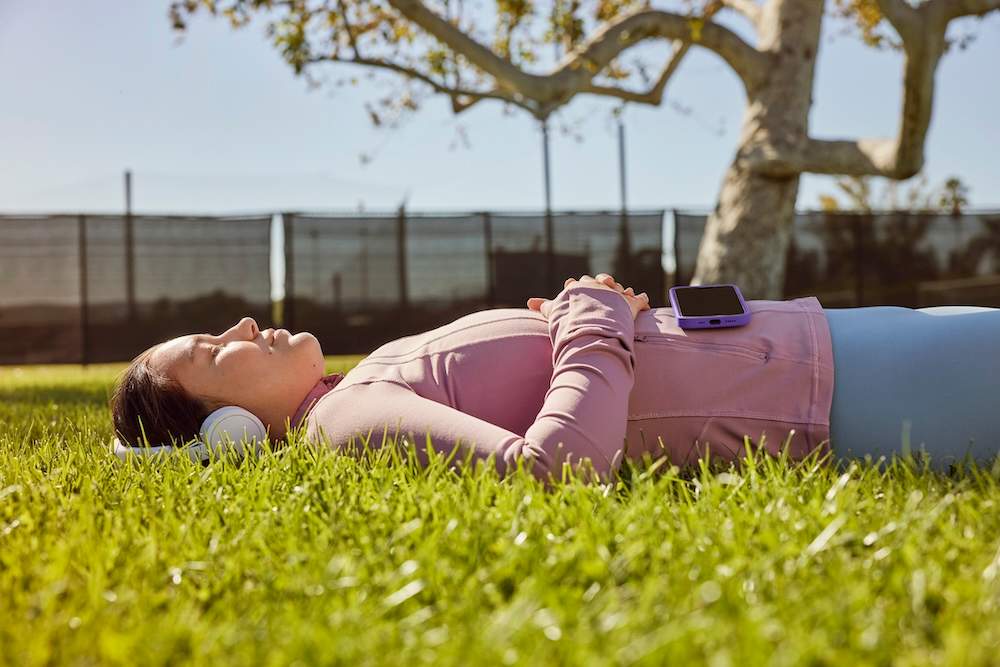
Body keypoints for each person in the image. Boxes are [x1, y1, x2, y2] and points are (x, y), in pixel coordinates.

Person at [109, 273, 1000, 483]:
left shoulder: (354, 383)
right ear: (228, 432)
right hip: (814, 392)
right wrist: (595, 315)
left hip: (794, 340)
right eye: (212, 352)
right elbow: (556, 468)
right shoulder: (346, 420)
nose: (240, 327)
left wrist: (582, 316)